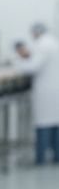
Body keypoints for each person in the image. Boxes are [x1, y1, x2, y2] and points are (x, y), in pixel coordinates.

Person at [14, 23, 59, 164]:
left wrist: (18, 63)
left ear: (36, 32)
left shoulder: (42, 44)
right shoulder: (53, 42)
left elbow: (34, 66)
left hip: (46, 91)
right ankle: (56, 156)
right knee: (55, 124)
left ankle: (41, 159)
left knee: (43, 124)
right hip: (53, 91)